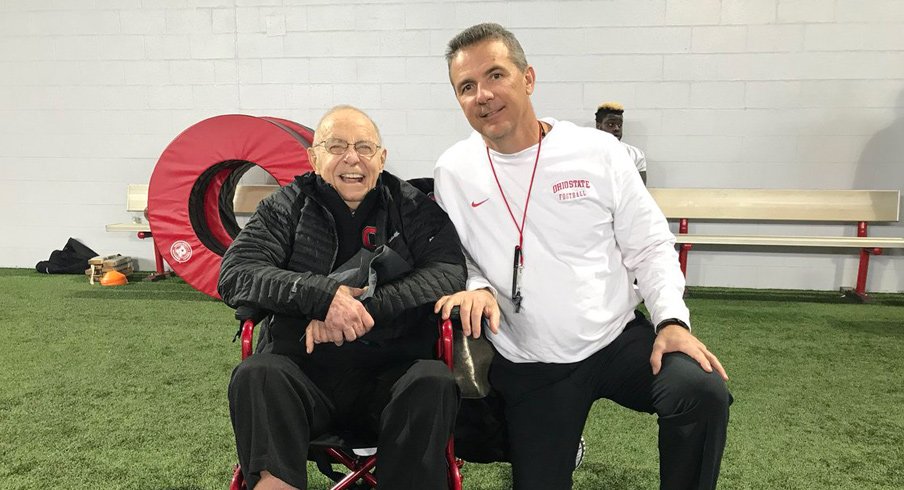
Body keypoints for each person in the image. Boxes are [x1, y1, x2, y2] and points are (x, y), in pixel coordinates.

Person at [433, 23, 731, 490]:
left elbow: (650, 243)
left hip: (613, 339)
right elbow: (459, 256)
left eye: (495, 75)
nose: (483, 95)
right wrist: (476, 287)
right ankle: (563, 445)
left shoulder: (597, 152)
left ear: (528, 78)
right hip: (531, 360)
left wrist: (672, 321)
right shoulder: (453, 170)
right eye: (466, 87)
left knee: (700, 390)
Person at [219, 105, 466, 489]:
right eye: (336, 146)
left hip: (392, 380)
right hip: (303, 380)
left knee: (432, 379)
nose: (352, 158)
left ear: (381, 158)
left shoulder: (411, 206)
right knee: (257, 374)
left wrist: (357, 309)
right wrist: (322, 297)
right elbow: (235, 274)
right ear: (313, 158)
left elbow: (448, 272)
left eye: (364, 147)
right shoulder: (285, 207)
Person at [596, 101, 648, 184]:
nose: (616, 128)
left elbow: (641, 189)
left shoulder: (636, 154)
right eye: (610, 124)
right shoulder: (586, 153)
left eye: (619, 125)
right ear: (599, 127)